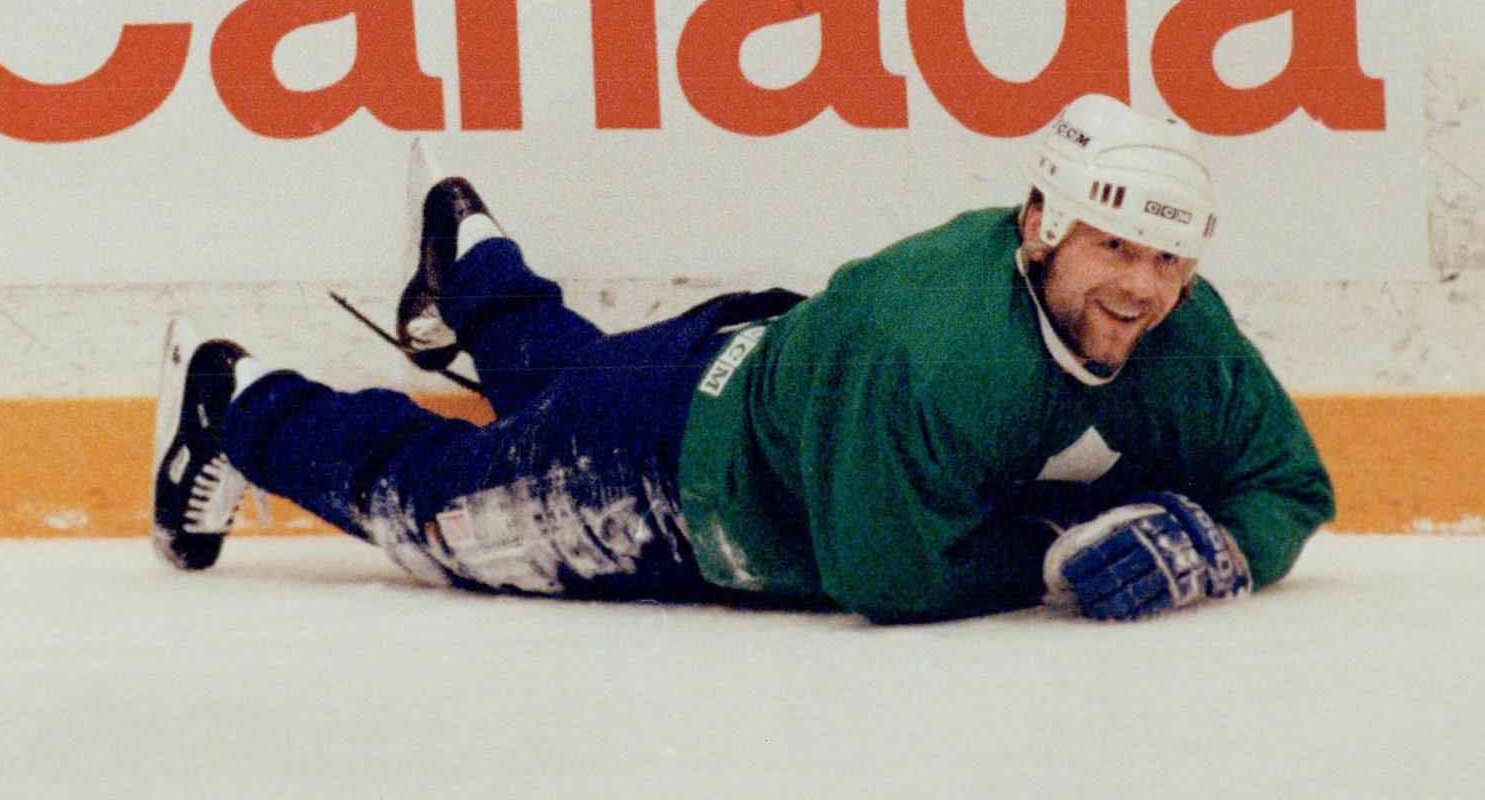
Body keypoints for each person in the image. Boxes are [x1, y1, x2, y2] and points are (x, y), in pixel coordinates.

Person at [152, 95, 1333, 623]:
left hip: (724, 367)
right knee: (434, 515)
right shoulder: (937, 348)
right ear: (1040, 225)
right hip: (659, 472)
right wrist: (1054, 557)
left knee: (572, 379)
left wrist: (1225, 543)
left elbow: (1291, 484)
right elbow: (886, 577)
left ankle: (473, 259)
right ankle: (235, 400)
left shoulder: (1179, 331)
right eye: (1113, 244)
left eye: (1168, 260)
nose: (1139, 285)